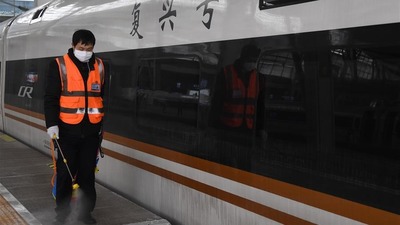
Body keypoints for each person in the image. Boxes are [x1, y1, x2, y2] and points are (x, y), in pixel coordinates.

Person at [44, 29, 105, 224]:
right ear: (73, 45)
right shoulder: (59, 65)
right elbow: (51, 98)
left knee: (87, 177)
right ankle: (61, 216)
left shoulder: (101, 66)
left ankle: (85, 215)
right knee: (64, 176)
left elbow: (104, 98)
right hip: (66, 131)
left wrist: (102, 127)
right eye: (81, 47)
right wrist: (52, 124)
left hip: (91, 132)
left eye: (89, 47)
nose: (86, 51)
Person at [210, 44, 266, 170]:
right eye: (250, 60)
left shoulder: (259, 78)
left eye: (254, 61)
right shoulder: (226, 74)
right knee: (225, 164)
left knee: (245, 165)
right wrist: (213, 128)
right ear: (243, 58)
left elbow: (260, 106)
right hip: (226, 130)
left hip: (247, 132)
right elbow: (216, 103)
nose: (252, 63)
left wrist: (261, 129)